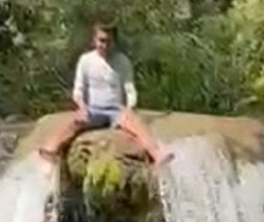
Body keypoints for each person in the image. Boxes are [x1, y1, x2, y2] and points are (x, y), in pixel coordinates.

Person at [39, 21, 171, 165]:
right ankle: (50, 149)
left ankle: (156, 154)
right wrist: (81, 106)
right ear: (94, 40)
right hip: (93, 109)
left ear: (114, 41)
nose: (105, 45)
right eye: (101, 41)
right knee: (74, 121)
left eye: (109, 41)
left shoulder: (122, 61)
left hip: (115, 110)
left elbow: (130, 91)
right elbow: (78, 90)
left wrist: (129, 108)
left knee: (136, 123)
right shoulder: (86, 61)